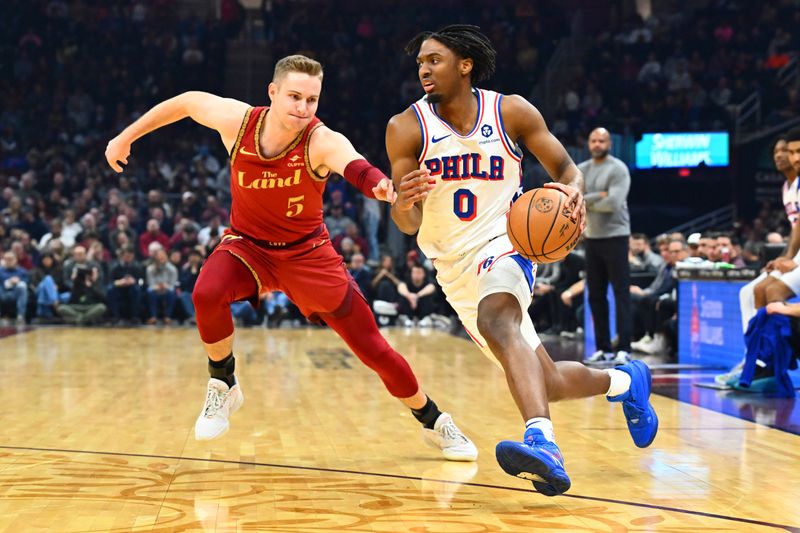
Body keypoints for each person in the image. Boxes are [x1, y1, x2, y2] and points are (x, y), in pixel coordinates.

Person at [105, 54, 476, 461]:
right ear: (273, 92)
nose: (303, 108)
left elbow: (357, 169)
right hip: (247, 246)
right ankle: (223, 384)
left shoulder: (320, 139)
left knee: (374, 350)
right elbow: (186, 101)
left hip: (307, 257)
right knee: (205, 293)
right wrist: (125, 137)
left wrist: (387, 190)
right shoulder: (238, 122)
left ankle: (435, 421)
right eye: (295, 97)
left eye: (312, 100)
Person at [387, 24, 657, 496]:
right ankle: (624, 381)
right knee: (545, 380)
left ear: (464, 65)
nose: (424, 69)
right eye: (420, 64)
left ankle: (543, 442)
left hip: (508, 243)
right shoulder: (405, 127)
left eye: (434, 60)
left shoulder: (510, 110)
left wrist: (573, 195)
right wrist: (401, 202)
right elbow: (408, 224)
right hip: (451, 268)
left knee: (498, 320)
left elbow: (567, 169)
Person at [718, 132, 800, 385]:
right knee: (751, 292)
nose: (783, 155)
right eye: (782, 151)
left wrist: (793, 260)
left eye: (786, 150)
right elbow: (797, 226)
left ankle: (778, 361)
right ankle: (757, 357)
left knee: (772, 291)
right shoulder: (789, 186)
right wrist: (787, 256)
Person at [578, 127, 634, 365]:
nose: (597, 144)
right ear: (589, 143)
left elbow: (613, 203)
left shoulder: (618, 169)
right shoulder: (580, 170)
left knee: (621, 293)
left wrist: (587, 199)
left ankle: (624, 348)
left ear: (609, 143)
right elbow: (574, 199)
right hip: (592, 238)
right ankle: (602, 347)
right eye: (594, 140)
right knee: (596, 295)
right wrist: (596, 196)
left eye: (602, 140)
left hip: (616, 236)